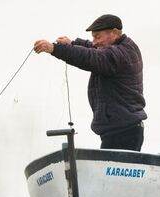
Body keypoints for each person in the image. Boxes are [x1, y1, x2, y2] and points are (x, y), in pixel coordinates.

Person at [33, 14, 147, 151]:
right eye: (93, 37)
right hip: (122, 129)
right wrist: (73, 43)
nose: (94, 41)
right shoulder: (123, 46)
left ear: (115, 33)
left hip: (123, 132)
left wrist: (55, 49)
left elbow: (91, 56)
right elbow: (93, 49)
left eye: (97, 37)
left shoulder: (119, 54)